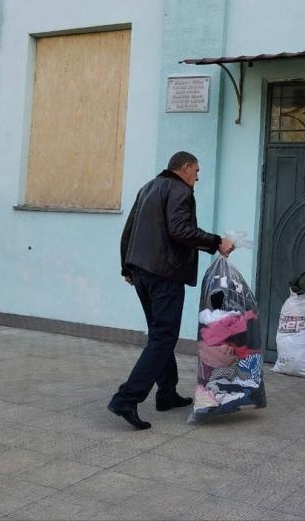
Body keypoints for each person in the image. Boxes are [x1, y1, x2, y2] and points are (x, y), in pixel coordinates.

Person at [108, 151, 235, 430]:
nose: (198, 177)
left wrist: (127, 268)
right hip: (164, 274)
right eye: (197, 171)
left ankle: (166, 393)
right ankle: (126, 399)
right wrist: (216, 242)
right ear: (186, 167)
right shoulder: (180, 190)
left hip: (141, 271)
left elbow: (128, 231)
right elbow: (181, 231)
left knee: (159, 334)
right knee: (164, 337)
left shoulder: (148, 188)